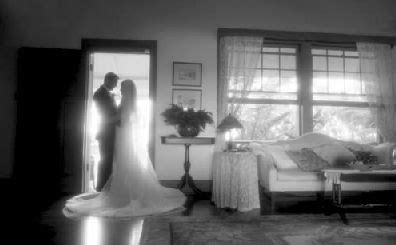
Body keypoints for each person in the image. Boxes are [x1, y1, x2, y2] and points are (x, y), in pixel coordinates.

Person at [63, 80, 186, 217]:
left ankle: (128, 194)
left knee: (124, 163)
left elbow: (120, 118)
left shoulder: (127, 102)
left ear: (127, 90)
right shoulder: (128, 101)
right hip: (123, 136)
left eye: (122, 88)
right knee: (124, 164)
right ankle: (127, 191)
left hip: (123, 137)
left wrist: (105, 120)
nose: (120, 90)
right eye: (121, 87)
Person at [93, 72, 119, 191]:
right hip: (105, 133)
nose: (115, 85)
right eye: (115, 82)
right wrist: (120, 116)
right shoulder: (99, 94)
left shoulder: (107, 94)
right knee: (105, 161)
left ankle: (106, 187)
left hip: (110, 132)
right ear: (108, 80)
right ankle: (102, 188)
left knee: (108, 161)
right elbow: (105, 116)